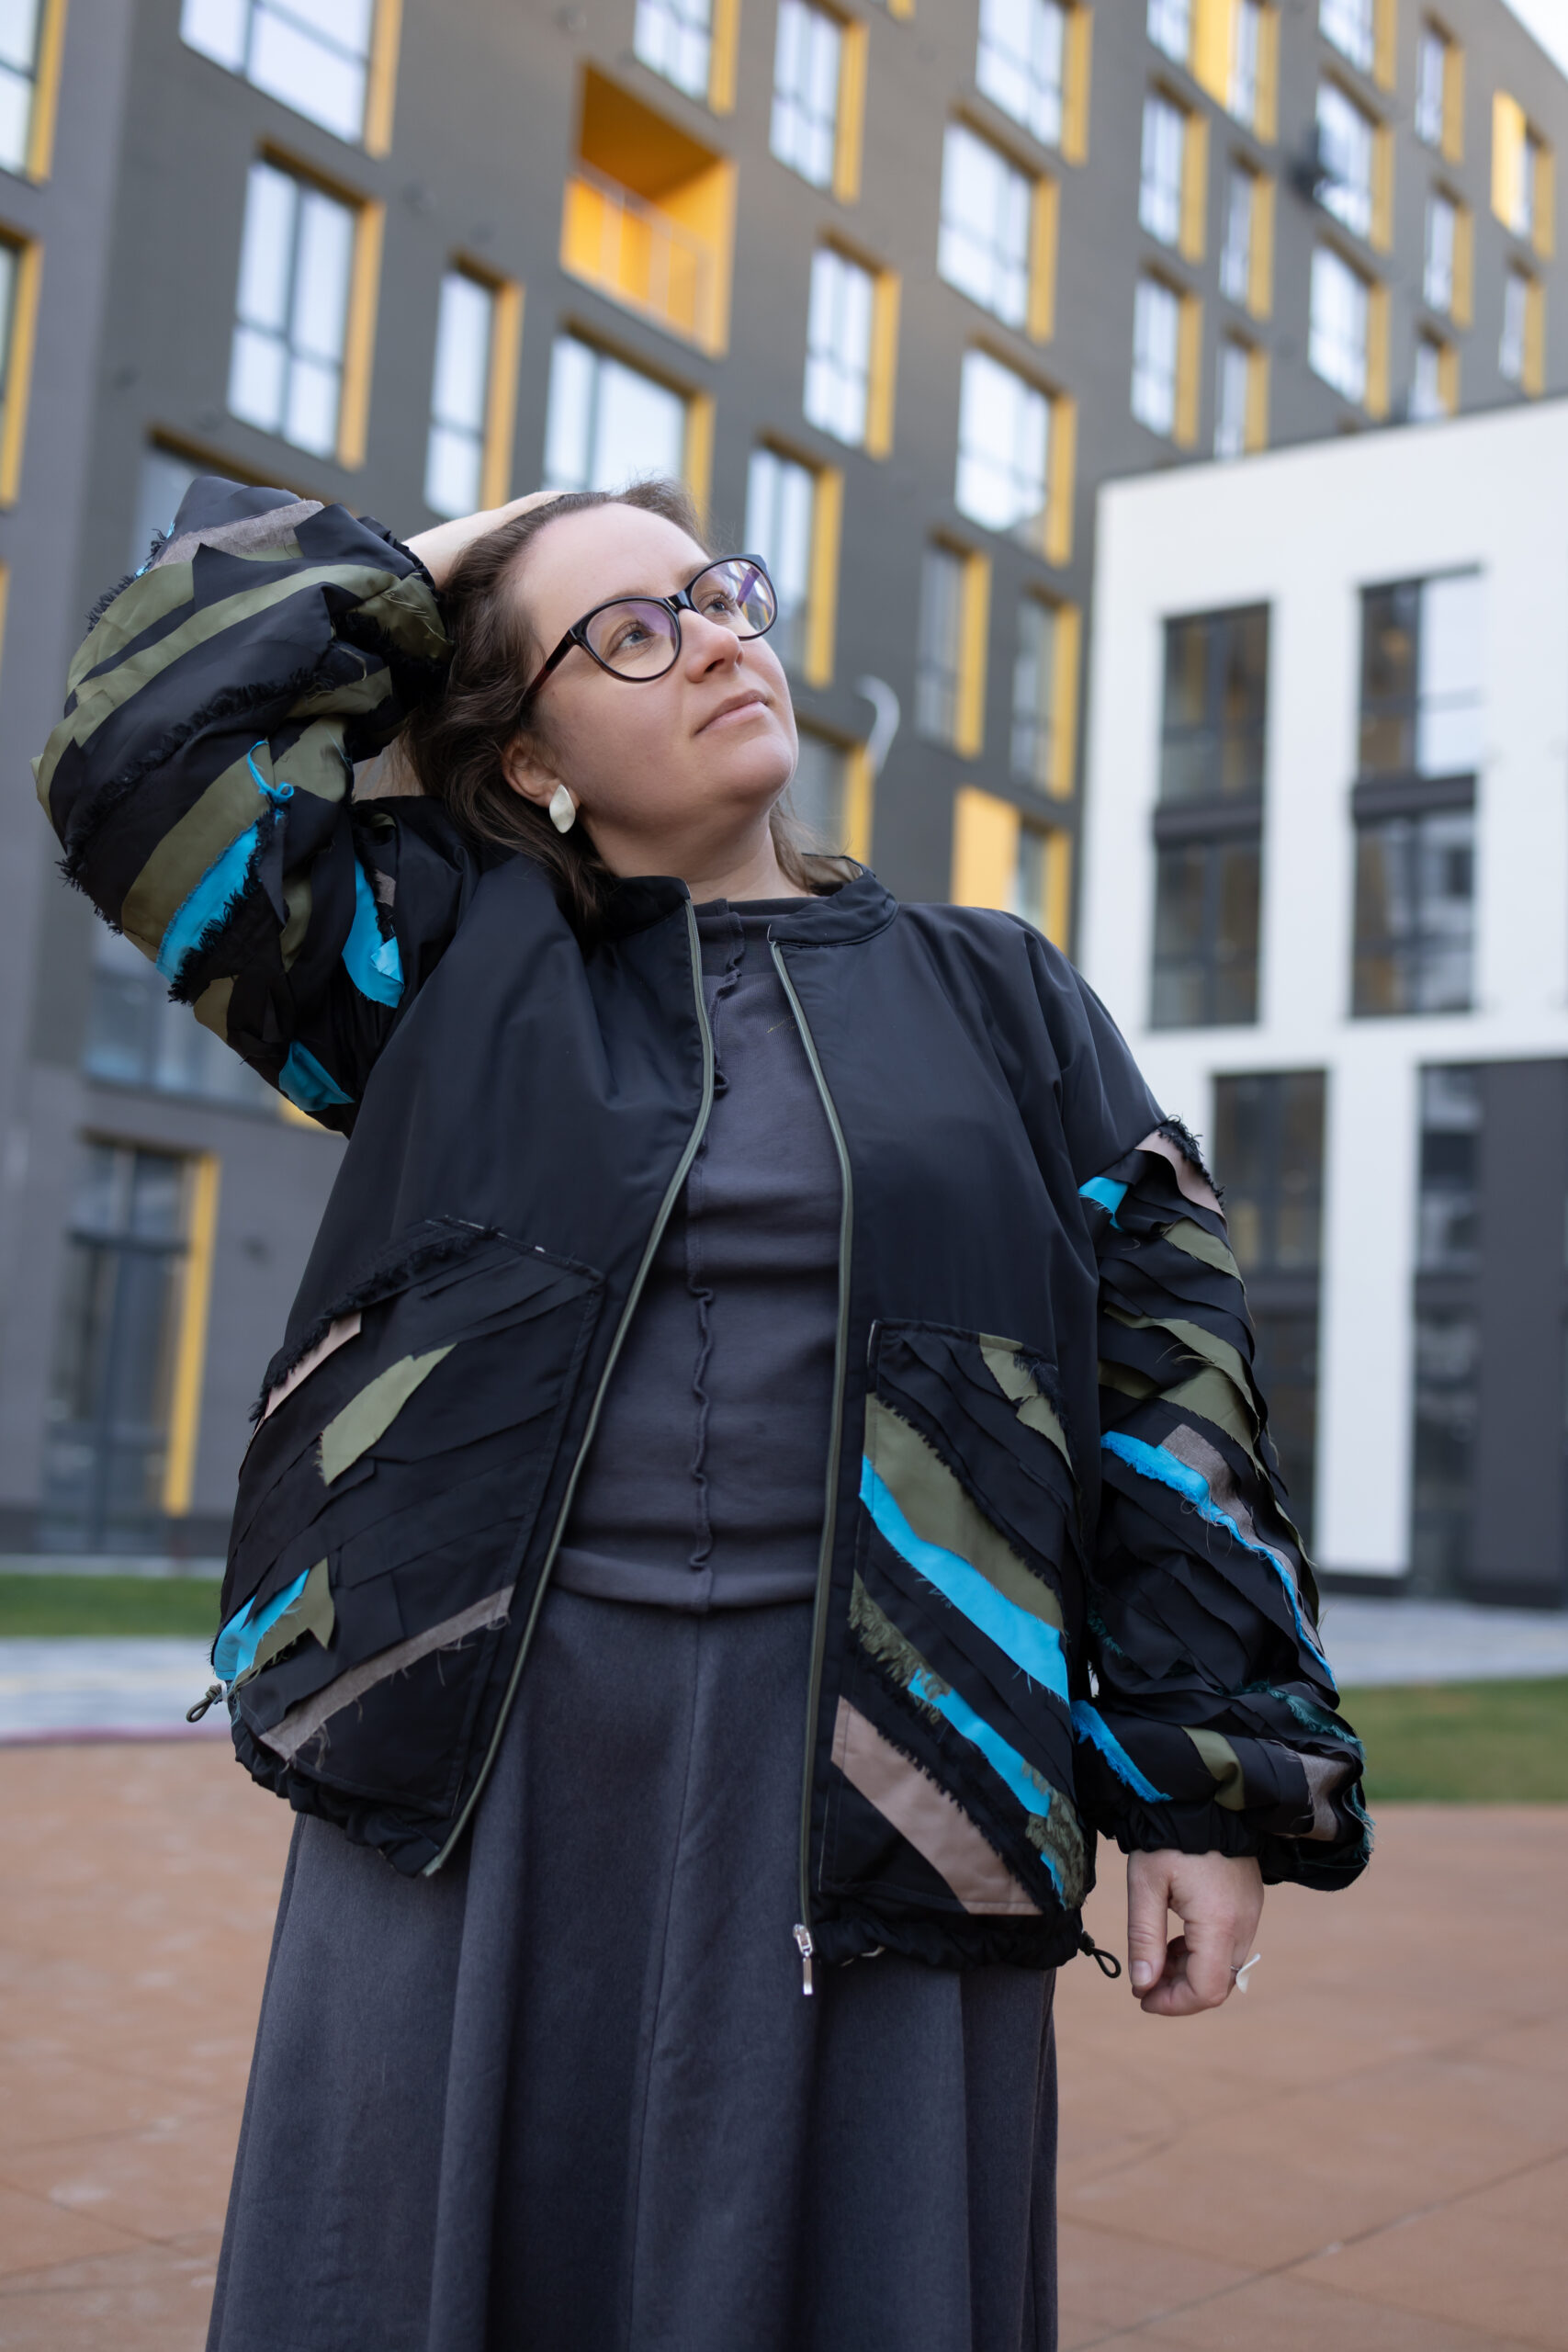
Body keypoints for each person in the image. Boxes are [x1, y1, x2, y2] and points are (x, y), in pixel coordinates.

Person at [39, 473, 1370, 2352]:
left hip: (901, 1760)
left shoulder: (998, 994)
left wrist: (1204, 1790)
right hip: (484, 1759)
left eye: (720, 594)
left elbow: (1175, 1388)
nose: (718, 640)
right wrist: (458, 552)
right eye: (632, 633)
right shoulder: (427, 967)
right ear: (528, 760)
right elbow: (136, 753)